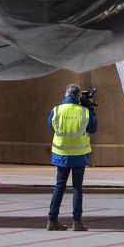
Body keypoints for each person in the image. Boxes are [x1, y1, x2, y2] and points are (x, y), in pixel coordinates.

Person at [47, 83, 97, 231]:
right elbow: (93, 129)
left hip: (61, 154)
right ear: (77, 96)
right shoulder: (84, 112)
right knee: (77, 189)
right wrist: (91, 110)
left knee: (59, 187)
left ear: (65, 95)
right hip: (79, 155)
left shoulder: (56, 110)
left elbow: (51, 126)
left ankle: (52, 219)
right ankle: (76, 222)